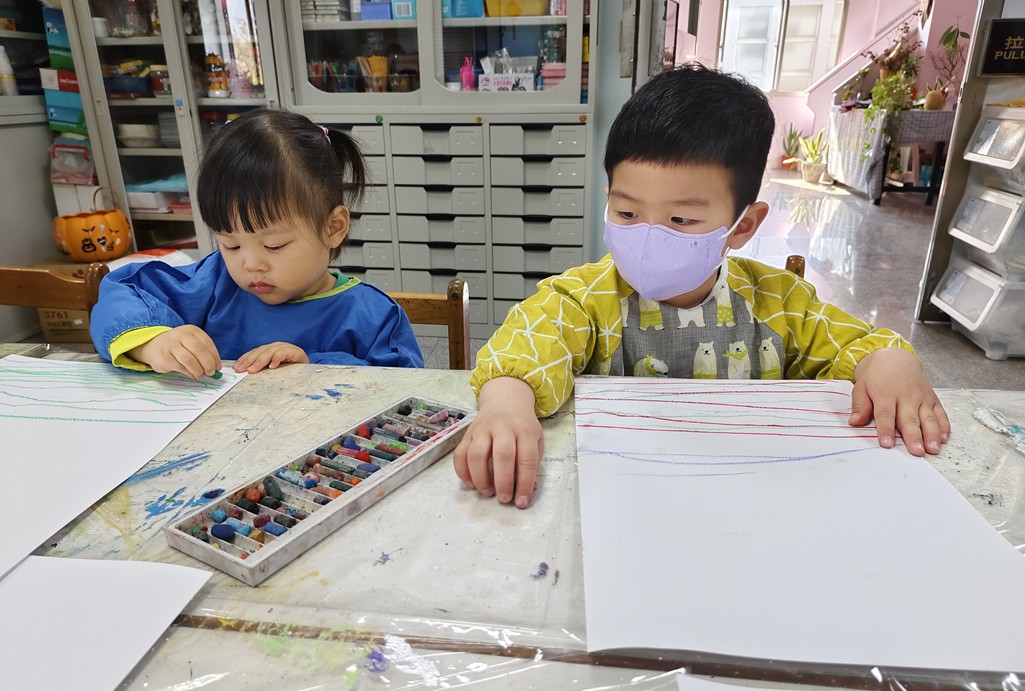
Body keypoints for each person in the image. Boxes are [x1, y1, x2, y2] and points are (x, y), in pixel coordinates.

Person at [454, 64, 950, 509]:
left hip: (752, 499)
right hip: (628, 500)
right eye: (627, 212)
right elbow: (528, 343)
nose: (649, 236)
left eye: (681, 220)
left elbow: (859, 345)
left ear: (742, 226)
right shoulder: (586, 298)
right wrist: (506, 404)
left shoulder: (779, 303)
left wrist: (891, 362)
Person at [90, 108, 423, 377]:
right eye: (230, 245)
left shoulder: (373, 316)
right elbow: (123, 291)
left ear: (333, 228)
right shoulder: (213, 284)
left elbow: (406, 386)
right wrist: (151, 342)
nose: (250, 264)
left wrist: (314, 365)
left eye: (274, 245)